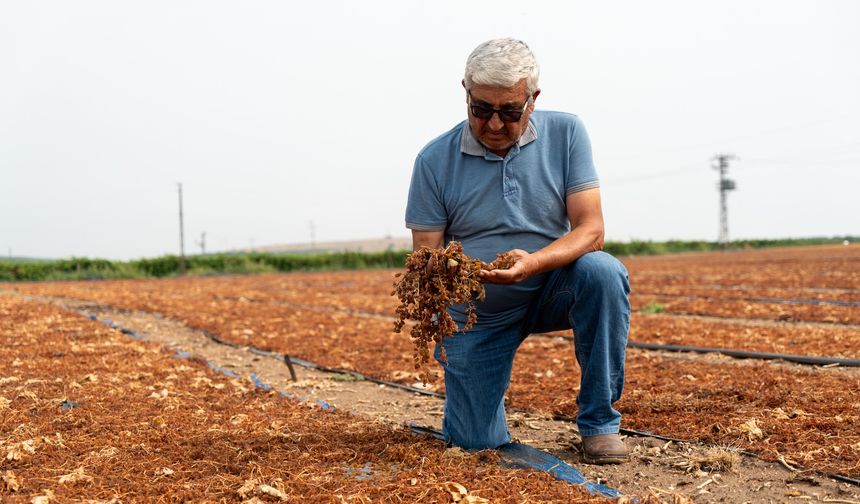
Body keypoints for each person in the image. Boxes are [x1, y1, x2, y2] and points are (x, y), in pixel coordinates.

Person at [405, 38, 631, 464]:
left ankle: (600, 422)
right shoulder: (433, 160)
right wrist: (459, 277)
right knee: (475, 443)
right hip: (478, 313)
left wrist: (533, 264)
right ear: (465, 92)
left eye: (509, 112)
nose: (493, 124)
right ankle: (477, 409)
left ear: (533, 99)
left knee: (602, 272)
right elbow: (426, 257)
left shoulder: (566, 134)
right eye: (481, 109)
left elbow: (591, 229)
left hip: (551, 289)